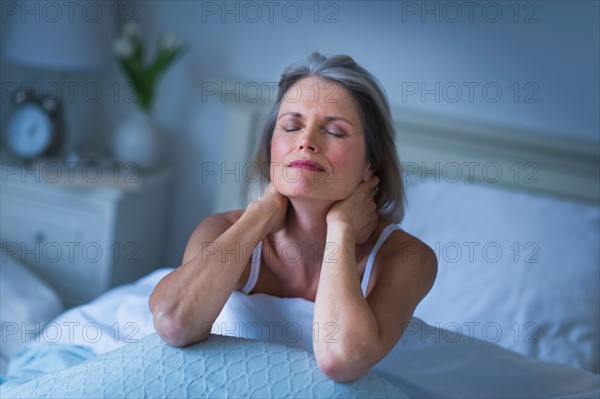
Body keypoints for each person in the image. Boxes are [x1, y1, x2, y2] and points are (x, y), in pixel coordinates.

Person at [149, 52, 437, 382]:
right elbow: (173, 323)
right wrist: (261, 213)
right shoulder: (221, 230)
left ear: (370, 165)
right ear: (271, 145)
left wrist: (340, 230)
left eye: (335, 132)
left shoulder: (407, 258)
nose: (306, 141)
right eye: (291, 126)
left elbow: (340, 360)